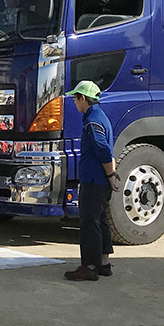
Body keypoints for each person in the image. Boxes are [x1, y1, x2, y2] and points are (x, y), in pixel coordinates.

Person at [64, 80, 120, 282]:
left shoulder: (92, 121)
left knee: (89, 222)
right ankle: (104, 263)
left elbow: (103, 150)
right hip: (100, 180)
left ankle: (89, 266)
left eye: (75, 98)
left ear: (83, 98)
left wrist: (110, 175)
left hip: (94, 180)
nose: (73, 101)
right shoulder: (99, 116)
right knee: (100, 220)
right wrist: (111, 175)